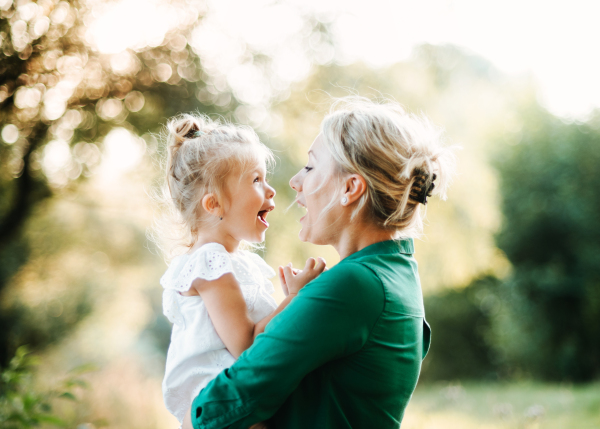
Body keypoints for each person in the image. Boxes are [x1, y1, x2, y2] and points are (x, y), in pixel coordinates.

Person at [182, 96, 456, 429]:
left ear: (351, 187)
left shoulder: (353, 285)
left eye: (311, 167)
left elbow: (218, 409)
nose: (295, 181)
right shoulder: (397, 273)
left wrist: (190, 414)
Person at [158, 114, 326, 426]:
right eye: (256, 180)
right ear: (214, 204)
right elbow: (248, 346)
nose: (271, 190)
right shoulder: (211, 262)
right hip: (223, 408)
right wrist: (296, 298)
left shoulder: (230, 263)